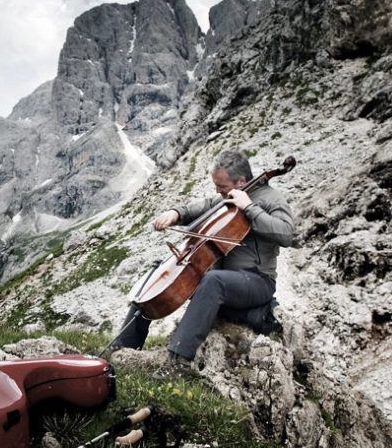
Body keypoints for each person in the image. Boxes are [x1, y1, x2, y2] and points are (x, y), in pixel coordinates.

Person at [110, 150, 295, 370]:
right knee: (160, 271)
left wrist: (250, 208)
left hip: (257, 280)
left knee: (213, 280)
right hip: (227, 281)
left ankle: (177, 360)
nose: (218, 191)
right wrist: (175, 213)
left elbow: (286, 234)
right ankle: (122, 348)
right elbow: (201, 206)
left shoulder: (271, 199)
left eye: (222, 186)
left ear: (241, 181)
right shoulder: (228, 197)